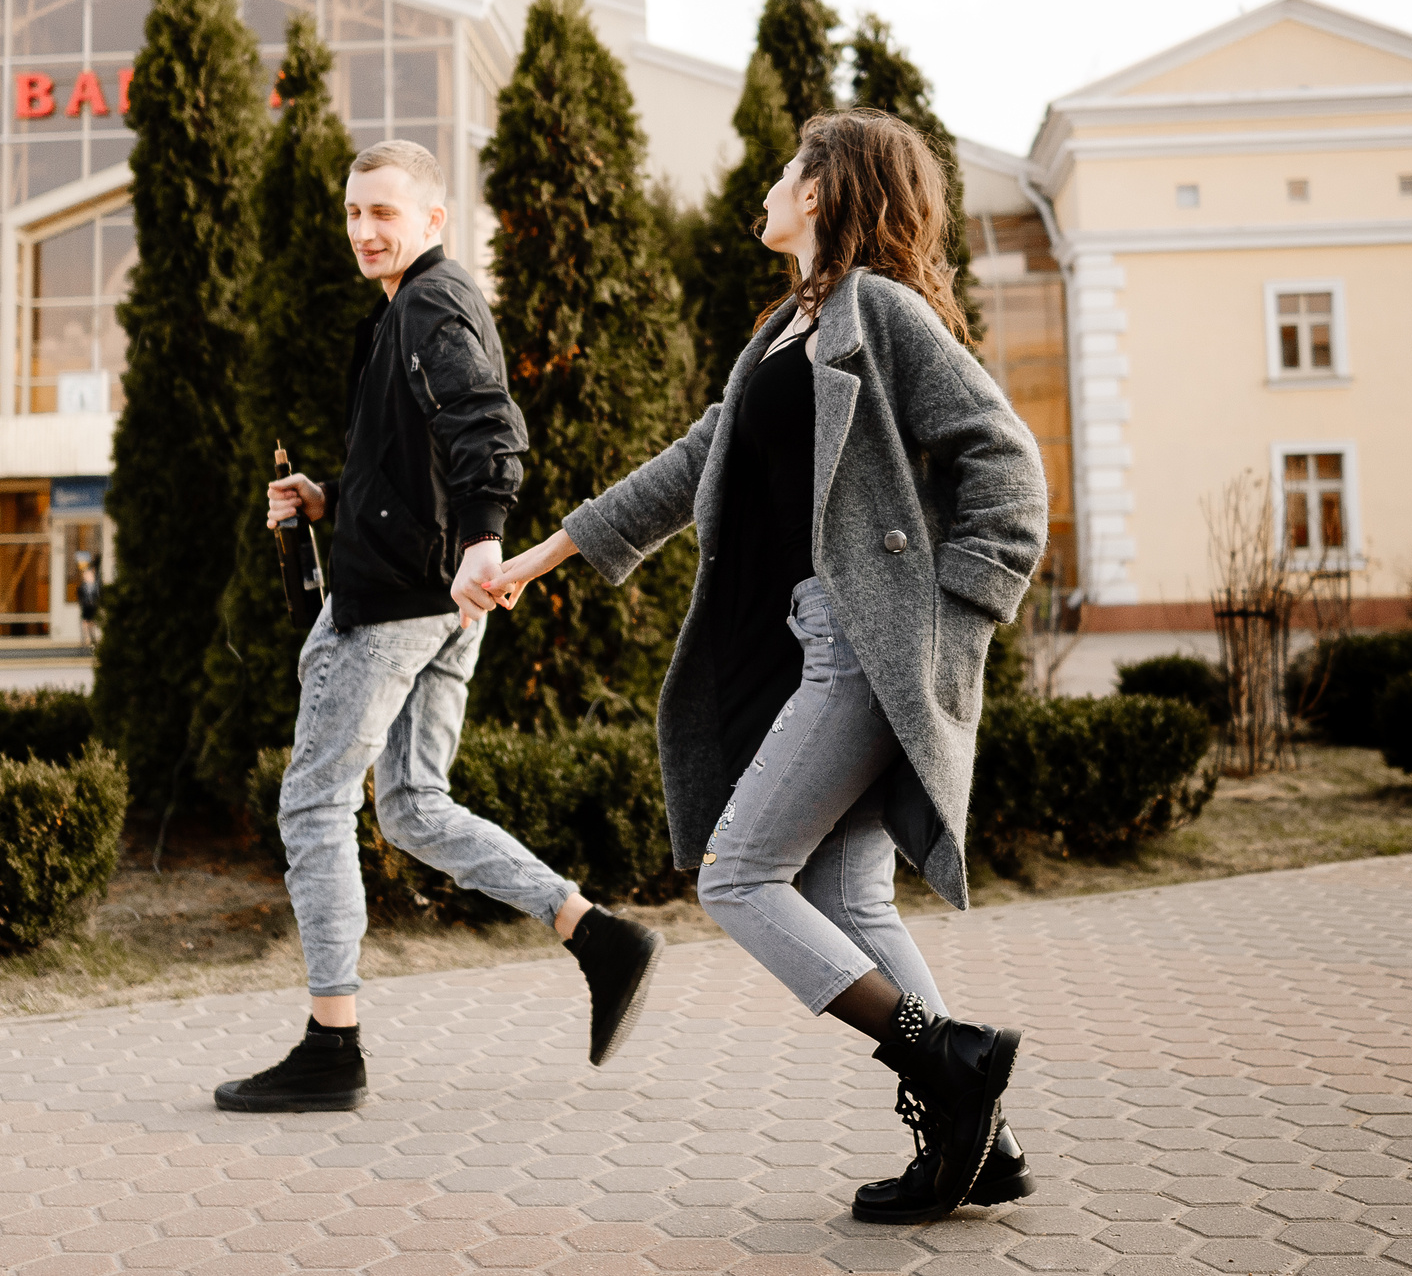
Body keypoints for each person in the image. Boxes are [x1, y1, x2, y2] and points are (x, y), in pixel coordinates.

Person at [482, 110, 1049, 1222]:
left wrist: (947, 614)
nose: (771, 183)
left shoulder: (876, 313)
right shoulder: (788, 329)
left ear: (828, 190)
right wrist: (535, 560)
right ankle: (987, 1139)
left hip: (863, 642)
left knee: (737, 874)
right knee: (851, 903)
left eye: (790, 169)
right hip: (816, 640)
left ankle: (949, 1065)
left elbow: (1008, 464)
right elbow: (688, 466)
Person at [213, 139, 665, 1114]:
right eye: (353, 212)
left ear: (432, 220)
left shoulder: (429, 300)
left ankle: (333, 1042)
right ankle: (594, 932)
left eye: (385, 210)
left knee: (313, 802)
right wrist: (330, 497)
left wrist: (487, 533)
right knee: (413, 802)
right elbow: (417, 459)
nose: (365, 229)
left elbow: (484, 423)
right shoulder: (404, 314)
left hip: (395, 603)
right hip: (444, 596)